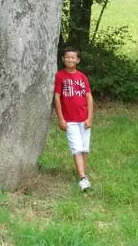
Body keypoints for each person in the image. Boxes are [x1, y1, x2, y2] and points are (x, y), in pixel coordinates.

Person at [53, 47, 94, 192]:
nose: (70, 59)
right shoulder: (60, 76)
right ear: (63, 59)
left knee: (85, 148)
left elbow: (88, 97)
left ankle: (83, 172)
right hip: (69, 120)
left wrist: (90, 117)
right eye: (67, 57)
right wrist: (61, 119)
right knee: (76, 147)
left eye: (73, 57)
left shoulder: (82, 77)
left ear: (78, 60)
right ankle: (82, 178)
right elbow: (57, 98)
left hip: (83, 118)